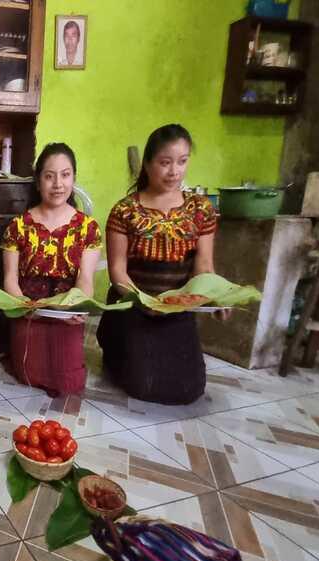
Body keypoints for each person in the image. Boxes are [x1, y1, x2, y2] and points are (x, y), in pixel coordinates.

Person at [96, 124, 226, 405]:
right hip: (134, 305)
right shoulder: (124, 211)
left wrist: (216, 296)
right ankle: (115, 344)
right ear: (147, 163)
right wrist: (143, 301)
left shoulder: (201, 209)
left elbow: (204, 266)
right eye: (165, 163)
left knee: (189, 388)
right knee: (142, 384)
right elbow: (117, 271)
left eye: (182, 161)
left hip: (176, 309)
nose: (174, 171)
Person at [0, 143, 102, 396]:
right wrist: (25, 306)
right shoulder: (18, 226)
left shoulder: (88, 228)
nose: (58, 184)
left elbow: (86, 279)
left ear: (74, 179)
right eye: (49, 176)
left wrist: (78, 306)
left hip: (66, 311)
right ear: (38, 182)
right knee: (27, 375)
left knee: (69, 383)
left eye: (65, 175)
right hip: (29, 310)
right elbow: (10, 279)